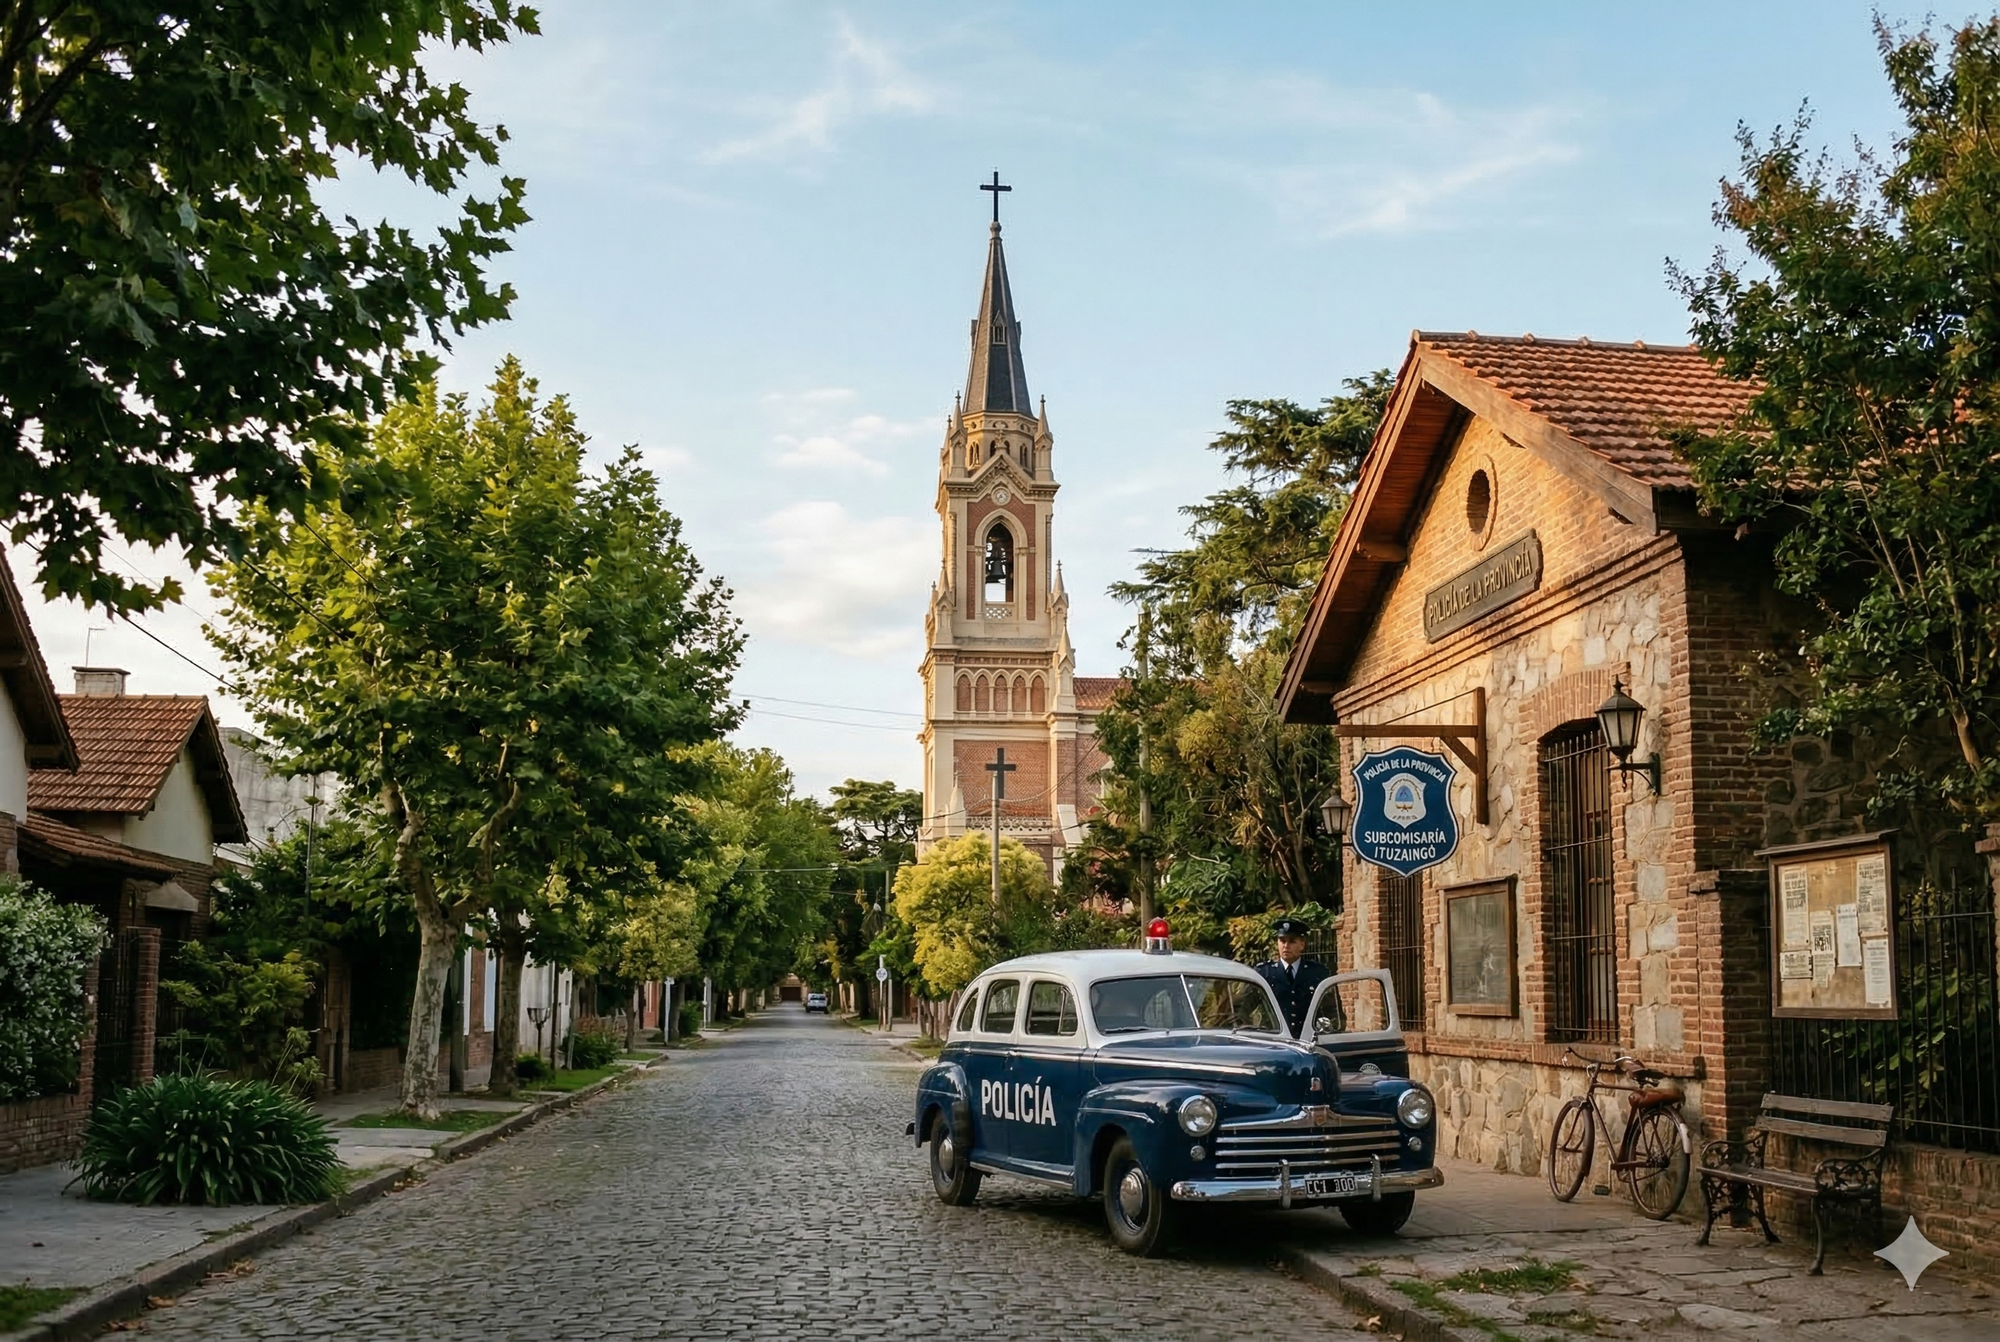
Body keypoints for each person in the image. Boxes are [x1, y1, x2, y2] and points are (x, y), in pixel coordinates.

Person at [1256, 916, 1331, 1038]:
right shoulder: (1264, 973)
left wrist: (1326, 1034)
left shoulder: (1317, 973)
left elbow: (1331, 1011)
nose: (1286, 946)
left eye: (1291, 941)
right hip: (1274, 1040)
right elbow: (1244, 1009)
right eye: (1282, 940)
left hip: (1308, 1040)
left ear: (1302, 944)